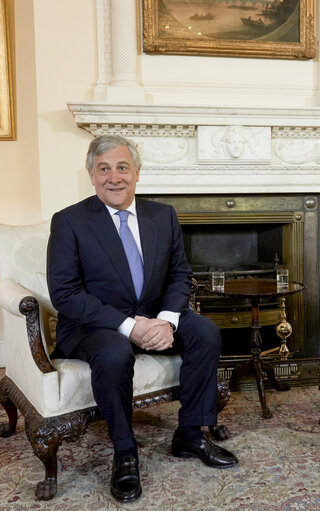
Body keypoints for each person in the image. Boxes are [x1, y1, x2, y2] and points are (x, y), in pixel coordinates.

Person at [47, 135, 238, 503]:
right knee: (116, 353)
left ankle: (190, 434)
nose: (113, 177)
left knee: (205, 332)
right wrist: (130, 326)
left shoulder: (162, 215)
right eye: (103, 169)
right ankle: (125, 453)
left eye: (122, 167)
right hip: (94, 326)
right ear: (91, 174)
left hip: (155, 316)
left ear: (136, 173)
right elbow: (66, 294)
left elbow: (180, 274)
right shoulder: (70, 221)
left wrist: (166, 320)